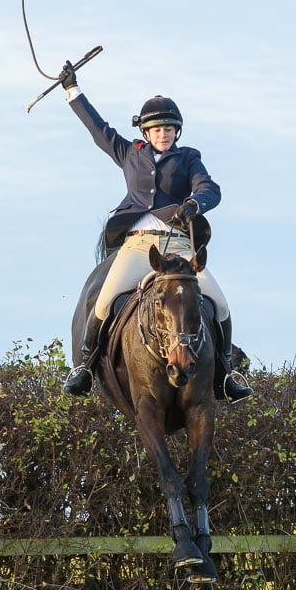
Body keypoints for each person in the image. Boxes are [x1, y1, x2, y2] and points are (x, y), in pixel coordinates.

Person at [59, 61, 252, 402]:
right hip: (136, 247)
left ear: (177, 132)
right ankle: (85, 368)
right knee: (103, 302)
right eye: (157, 130)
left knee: (219, 305)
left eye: (168, 130)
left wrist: (194, 204)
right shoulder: (128, 153)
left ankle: (225, 375)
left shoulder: (189, 158)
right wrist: (73, 91)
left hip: (178, 249)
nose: (163, 135)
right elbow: (97, 129)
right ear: (146, 133)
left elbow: (210, 188)